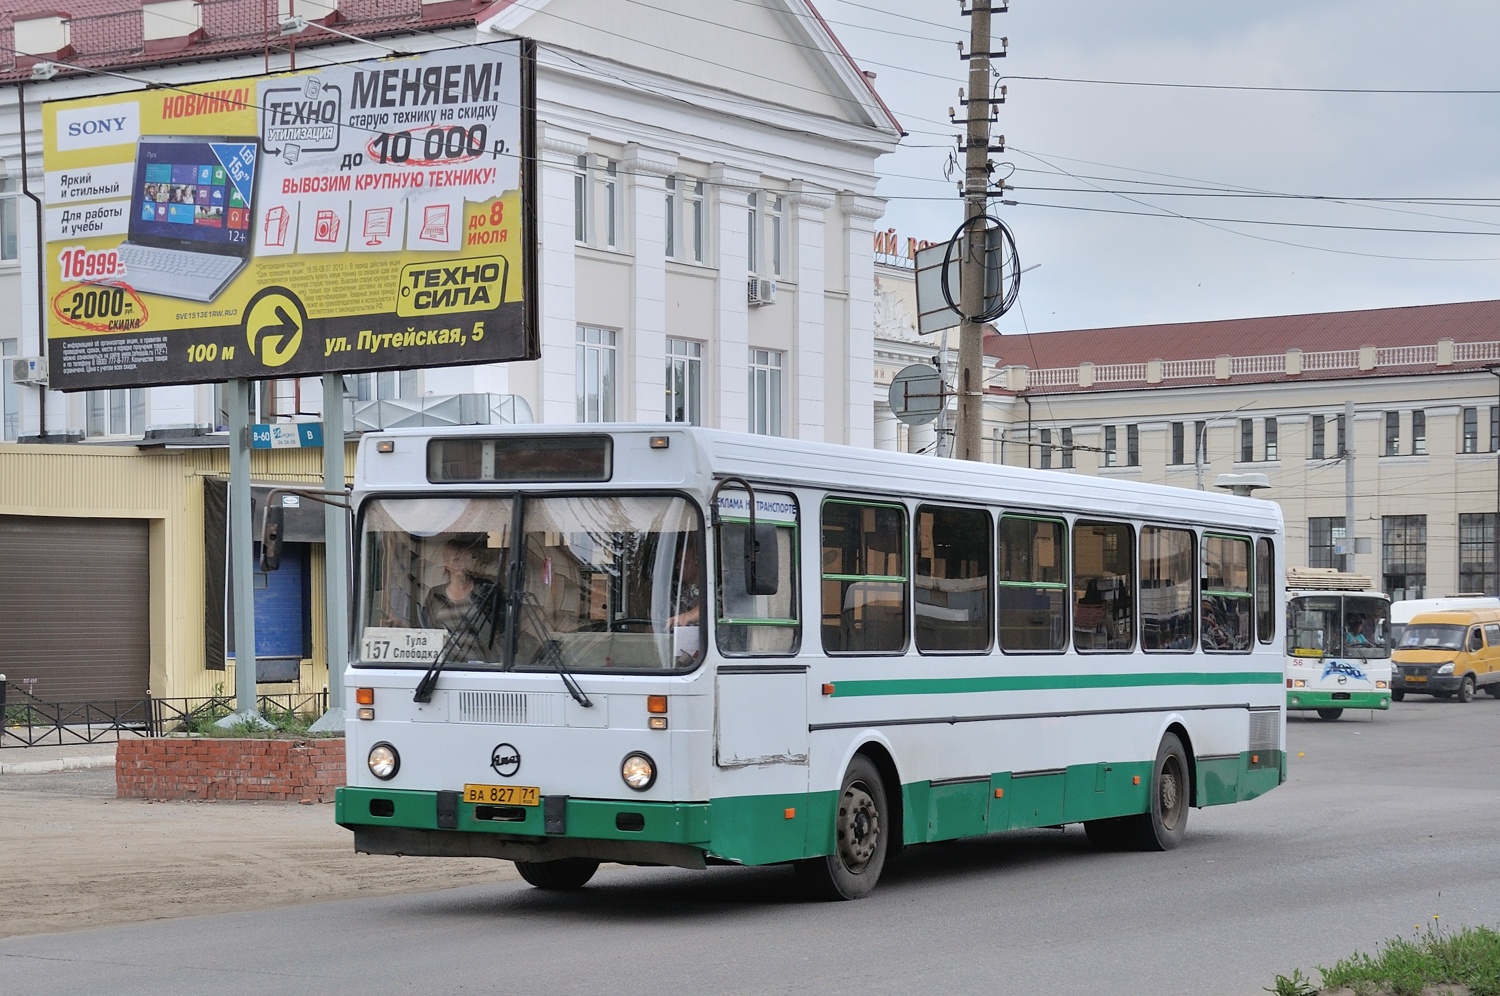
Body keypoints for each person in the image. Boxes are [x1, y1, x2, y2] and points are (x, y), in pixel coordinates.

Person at [421, 536, 498, 661]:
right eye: (455, 559)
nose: (460, 564)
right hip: (443, 666)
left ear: (470, 562)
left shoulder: (485, 591)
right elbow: (425, 631)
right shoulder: (435, 595)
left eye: (464, 559)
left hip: (480, 666)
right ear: (446, 564)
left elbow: (498, 632)